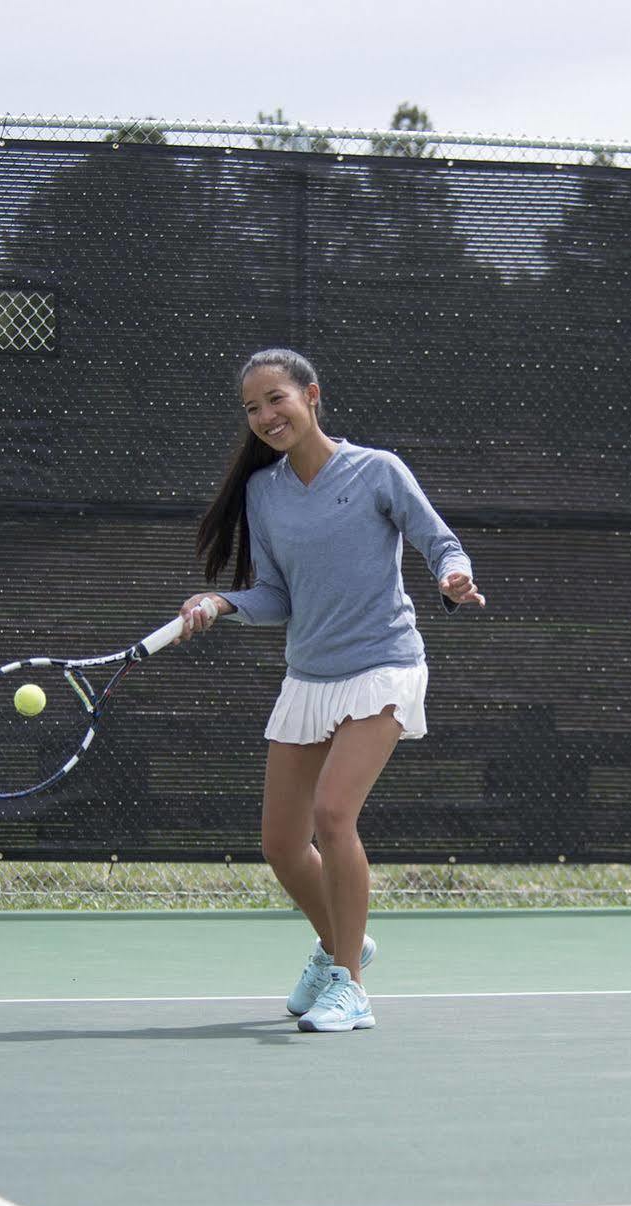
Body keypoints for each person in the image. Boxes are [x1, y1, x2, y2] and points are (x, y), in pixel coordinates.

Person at [177, 348, 483, 1033]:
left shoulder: (377, 470)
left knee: (333, 813)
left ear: (311, 396)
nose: (264, 417)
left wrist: (453, 577)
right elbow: (275, 596)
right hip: (309, 675)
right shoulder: (263, 493)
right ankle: (338, 943)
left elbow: (441, 543)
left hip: (382, 665)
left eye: (275, 399)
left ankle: (350, 984)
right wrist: (223, 604)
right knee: (282, 845)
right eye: (251, 409)